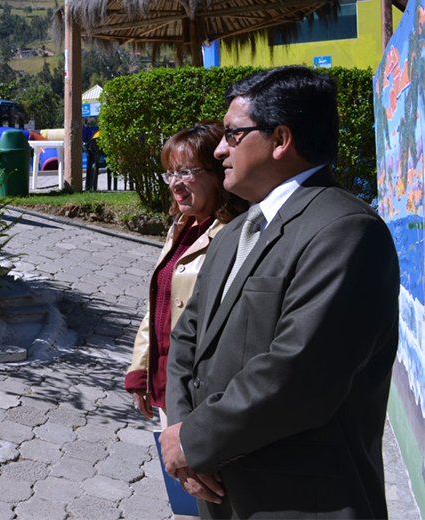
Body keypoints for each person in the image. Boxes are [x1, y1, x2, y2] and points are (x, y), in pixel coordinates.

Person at [160, 66, 399, 518]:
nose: (218, 149)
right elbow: (188, 336)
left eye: (232, 135)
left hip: (300, 502)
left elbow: (299, 374)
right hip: (221, 491)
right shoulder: (234, 234)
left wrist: (192, 440)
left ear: (281, 139)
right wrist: (180, 432)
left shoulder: (345, 232)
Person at [125, 122, 247, 428]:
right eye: (171, 173)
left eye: (186, 172)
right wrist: (140, 372)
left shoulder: (238, 235)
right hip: (168, 387)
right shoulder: (183, 226)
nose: (174, 184)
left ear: (219, 174)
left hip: (204, 400)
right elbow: (160, 304)